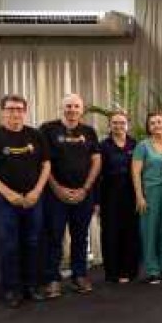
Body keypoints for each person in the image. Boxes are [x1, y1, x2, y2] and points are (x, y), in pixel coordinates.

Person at [0, 95, 51, 307]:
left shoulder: (36, 135)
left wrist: (37, 191)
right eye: (10, 109)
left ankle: (31, 286)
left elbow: (46, 165)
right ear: (2, 111)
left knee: (33, 242)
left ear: (25, 111)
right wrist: (8, 194)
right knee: (8, 245)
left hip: (33, 198)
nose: (15, 113)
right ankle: (11, 290)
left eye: (19, 109)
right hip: (5, 200)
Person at [40, 93, 101, 297]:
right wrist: (57, 188)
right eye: (68, 106)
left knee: (80, 237)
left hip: (83, 194)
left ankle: (79, 276)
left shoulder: (89, 132)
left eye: (76, 106)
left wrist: (85, 188)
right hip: (54, 195)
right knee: (54, 237)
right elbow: (44, 162)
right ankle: (52, 279)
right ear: (62, 108)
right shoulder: (47, 129)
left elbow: (96, 161)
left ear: (81, 110)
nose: (72, 110)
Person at [96, 111, 138, 283]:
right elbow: (97, 175)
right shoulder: (102, 146)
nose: (118, 126)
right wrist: (97, 201)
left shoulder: (135, 144)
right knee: (110, 233)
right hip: (109, 194)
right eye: (115, 123)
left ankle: (128, 271)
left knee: (130, 232)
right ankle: (112, 272)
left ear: (127, 125)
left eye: (122, 123)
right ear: (110, 125)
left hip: (131, 194)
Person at [132, 111, 162, 283]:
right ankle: (152, 270)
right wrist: (139, 196)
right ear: (149, 127)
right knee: (149, 232)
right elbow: (135, 173)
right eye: (152, 123)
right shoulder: (142, 146)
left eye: (159, 122)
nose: (157, 125)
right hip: (150, 193)